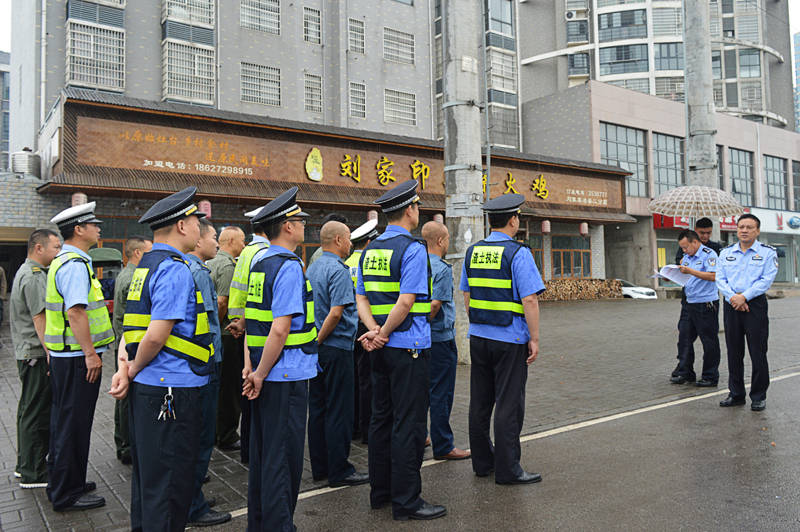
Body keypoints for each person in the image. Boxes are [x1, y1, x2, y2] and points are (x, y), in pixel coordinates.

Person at [110, 186, 214, 531]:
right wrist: (133, 368)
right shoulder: (174, 269)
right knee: (171, 485)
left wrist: (125, 369)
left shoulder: (145, 266)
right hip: (172, 389)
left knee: (151, 481)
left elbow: (130, 327)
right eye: (197, 222)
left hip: (150, 387)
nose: (200, 229)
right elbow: (156, 333)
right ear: (182, 226)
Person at [357, 180, 447, 521]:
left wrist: (373, 331)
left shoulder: (371, 249)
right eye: (417, 206)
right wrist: (385, 332)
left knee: (380, 420)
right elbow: (407, 301)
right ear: (410, 210)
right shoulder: (412, 249)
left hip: (378, 348)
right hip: (408, 346)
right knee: (408, 425)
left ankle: (380, 493)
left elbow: (361, 297)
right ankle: (407, 501)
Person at [241, 186, 319, 531]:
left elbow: (250, 321)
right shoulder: (288, 266)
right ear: (287, 226)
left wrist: (251, 367)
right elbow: (279, 329)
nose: (303, 224)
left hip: (264, 370)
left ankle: (260, 523)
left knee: (263, 454)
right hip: (284, 374)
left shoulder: (260, 263)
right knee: (283, 458)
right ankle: (278, 525)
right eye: (299, 219)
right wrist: (259, 372)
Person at [460, 193, 545, 486]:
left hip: (479, 337)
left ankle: (483, 463)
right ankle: (509, 469)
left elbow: (467, 295)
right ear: (513, 220)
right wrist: (533, 338)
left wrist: (480, 322)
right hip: (510, 338)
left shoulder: (472, 252)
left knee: (480, 402)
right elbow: (530, 299)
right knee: (509, 403)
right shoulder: (517, 253)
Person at [45, 202, 114, 511]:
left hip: (66, 357)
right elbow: (75, 312)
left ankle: (68, 480)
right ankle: (66, 492)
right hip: (76, 357)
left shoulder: (69, 261)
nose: (99, 228)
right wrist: (91, 354)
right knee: (73, 423)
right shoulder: (73, 264)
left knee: (67, 421)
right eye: (93, 224)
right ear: (79, 229)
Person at [306, 220, 370, 488]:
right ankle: (339, 469)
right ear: (338, 241)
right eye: (348, 239)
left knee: (318, 407)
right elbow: (336, 311)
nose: (351, 244)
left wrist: (313, 343)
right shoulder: (338, 270)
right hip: (336, 346)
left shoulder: (312, 267)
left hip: (316, 348)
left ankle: (320, 467)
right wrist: (320, 340)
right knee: (339, 410)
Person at [186, 219, 232, 527]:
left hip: (195, 362)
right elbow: (205, 320)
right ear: (198, 239)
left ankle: (193, 498)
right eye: (213, 237)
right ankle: (193, 505)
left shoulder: (187, 266)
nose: (216, 243)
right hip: (205, 362)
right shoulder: (198, 271)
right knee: (200, 437)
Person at [11, 229, 61, 489]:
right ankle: (33, 472)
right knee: (36, 413)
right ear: (38, 248)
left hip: (28, 353)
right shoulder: (33, 277)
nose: (58, 251)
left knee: (27, 411)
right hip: (36, 355)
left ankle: (25, 466)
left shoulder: (28, 271)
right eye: (55, 247)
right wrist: (51, 352)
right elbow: (40, 318)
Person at [716, 213, 778, 411]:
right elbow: (720, 279)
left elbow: (766, 280)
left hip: (755, 306)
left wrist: (744, 297)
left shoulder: (767, 253)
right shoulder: (726, 253)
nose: (744, 230)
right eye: (741, 227)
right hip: (732, 305)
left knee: (757, 351)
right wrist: (734, 297)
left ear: (757, 231)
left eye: (749, 227)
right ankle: (736, 394)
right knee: (734, 352)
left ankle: (759, 395)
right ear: (737, 229)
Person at [221, 209, 269, 455]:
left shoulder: (247, 252)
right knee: (254, 390)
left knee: (244, 389)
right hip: (254, 329)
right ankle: (252, 449)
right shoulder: (263, 254)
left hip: (241, 326)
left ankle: (248, 447)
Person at [422, 221, 470, 461]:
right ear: (440, 241)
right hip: (440, 339)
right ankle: (444, 445)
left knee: (420, 391)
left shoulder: (414, 264)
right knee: (441, 393)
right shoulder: (441, 269)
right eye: (448, 238)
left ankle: (421, 435)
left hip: (419, 341)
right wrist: (424, 322)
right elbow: (435, 305)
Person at [207, 225, 248, 462]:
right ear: (231, 240)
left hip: (212, 335)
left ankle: (215, 431)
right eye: (242, 241)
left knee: (218, 386)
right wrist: (221, 325)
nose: (244, 246)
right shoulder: (227, 265)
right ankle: (228, 434)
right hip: (227, 334)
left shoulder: (209, 262)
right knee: (230, 388)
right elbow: (222, 302)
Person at [111, 236, 153, 465]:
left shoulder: (127, 275)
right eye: (149, 251)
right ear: (137, 253)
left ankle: (124, 443)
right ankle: (126, 445)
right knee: (125, 398)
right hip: (128, 346)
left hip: (125, 344)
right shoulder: (133, 278)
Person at [672, 217, 723, 379]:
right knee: (684, 338)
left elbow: (714, 276)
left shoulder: (710, 253)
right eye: (682, 248)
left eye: (686, 247)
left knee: (709, 341)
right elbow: (683, 272)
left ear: (694, 242)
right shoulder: (687, 255)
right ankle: (685, 371)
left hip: (705, 303)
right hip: (689, 302)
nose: (684, 250)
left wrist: (690, 271)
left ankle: (710, 375)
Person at [345, 218, 379, 443]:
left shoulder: (346, 264)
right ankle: (368, 430)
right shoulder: (370, 262)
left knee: (355, 379)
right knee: (369, 380)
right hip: (368, 327)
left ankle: (355, 427)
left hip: (349, 328)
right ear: (369, 241)